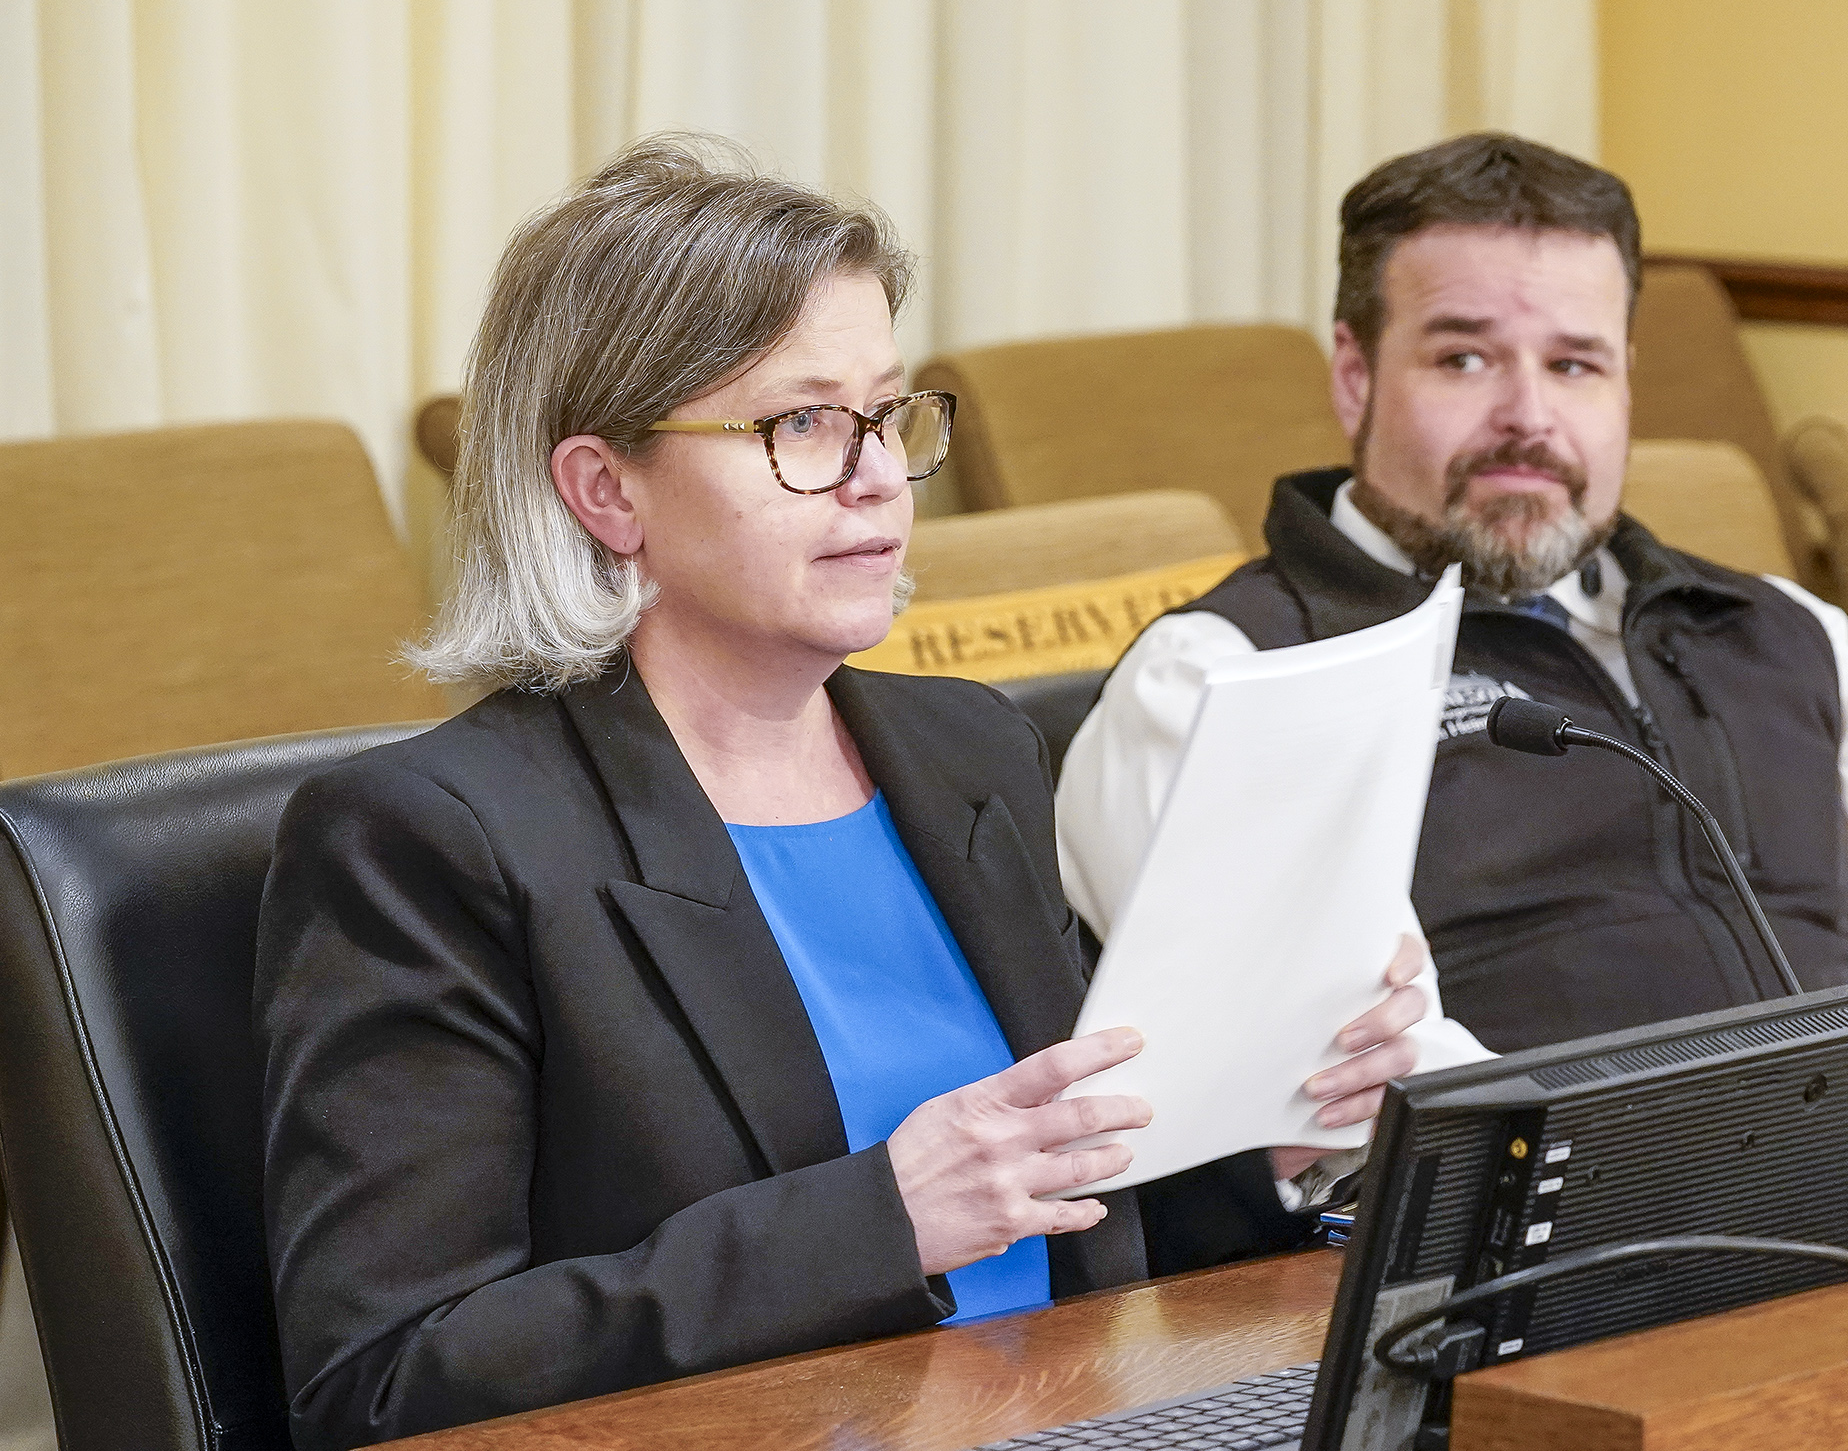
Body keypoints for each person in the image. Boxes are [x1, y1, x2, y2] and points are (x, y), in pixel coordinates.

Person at [253, 135, 1431, 1451]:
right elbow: (388, 1379)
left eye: (887, 415)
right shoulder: (432, 840)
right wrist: (885, 1222)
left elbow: (1075, 1224)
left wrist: (1267, 1138)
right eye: (803, 424)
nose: (878, 477)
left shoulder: (970, 750)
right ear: (605, 490)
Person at [1057, 132, 1848, 1117]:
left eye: (1575, 365)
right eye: (1465, 360)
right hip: (1520, 1219)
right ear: (1355, 375)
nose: (1528, 417)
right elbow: (1367, 1078)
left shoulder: (1793, 637)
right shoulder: (1228, 680)